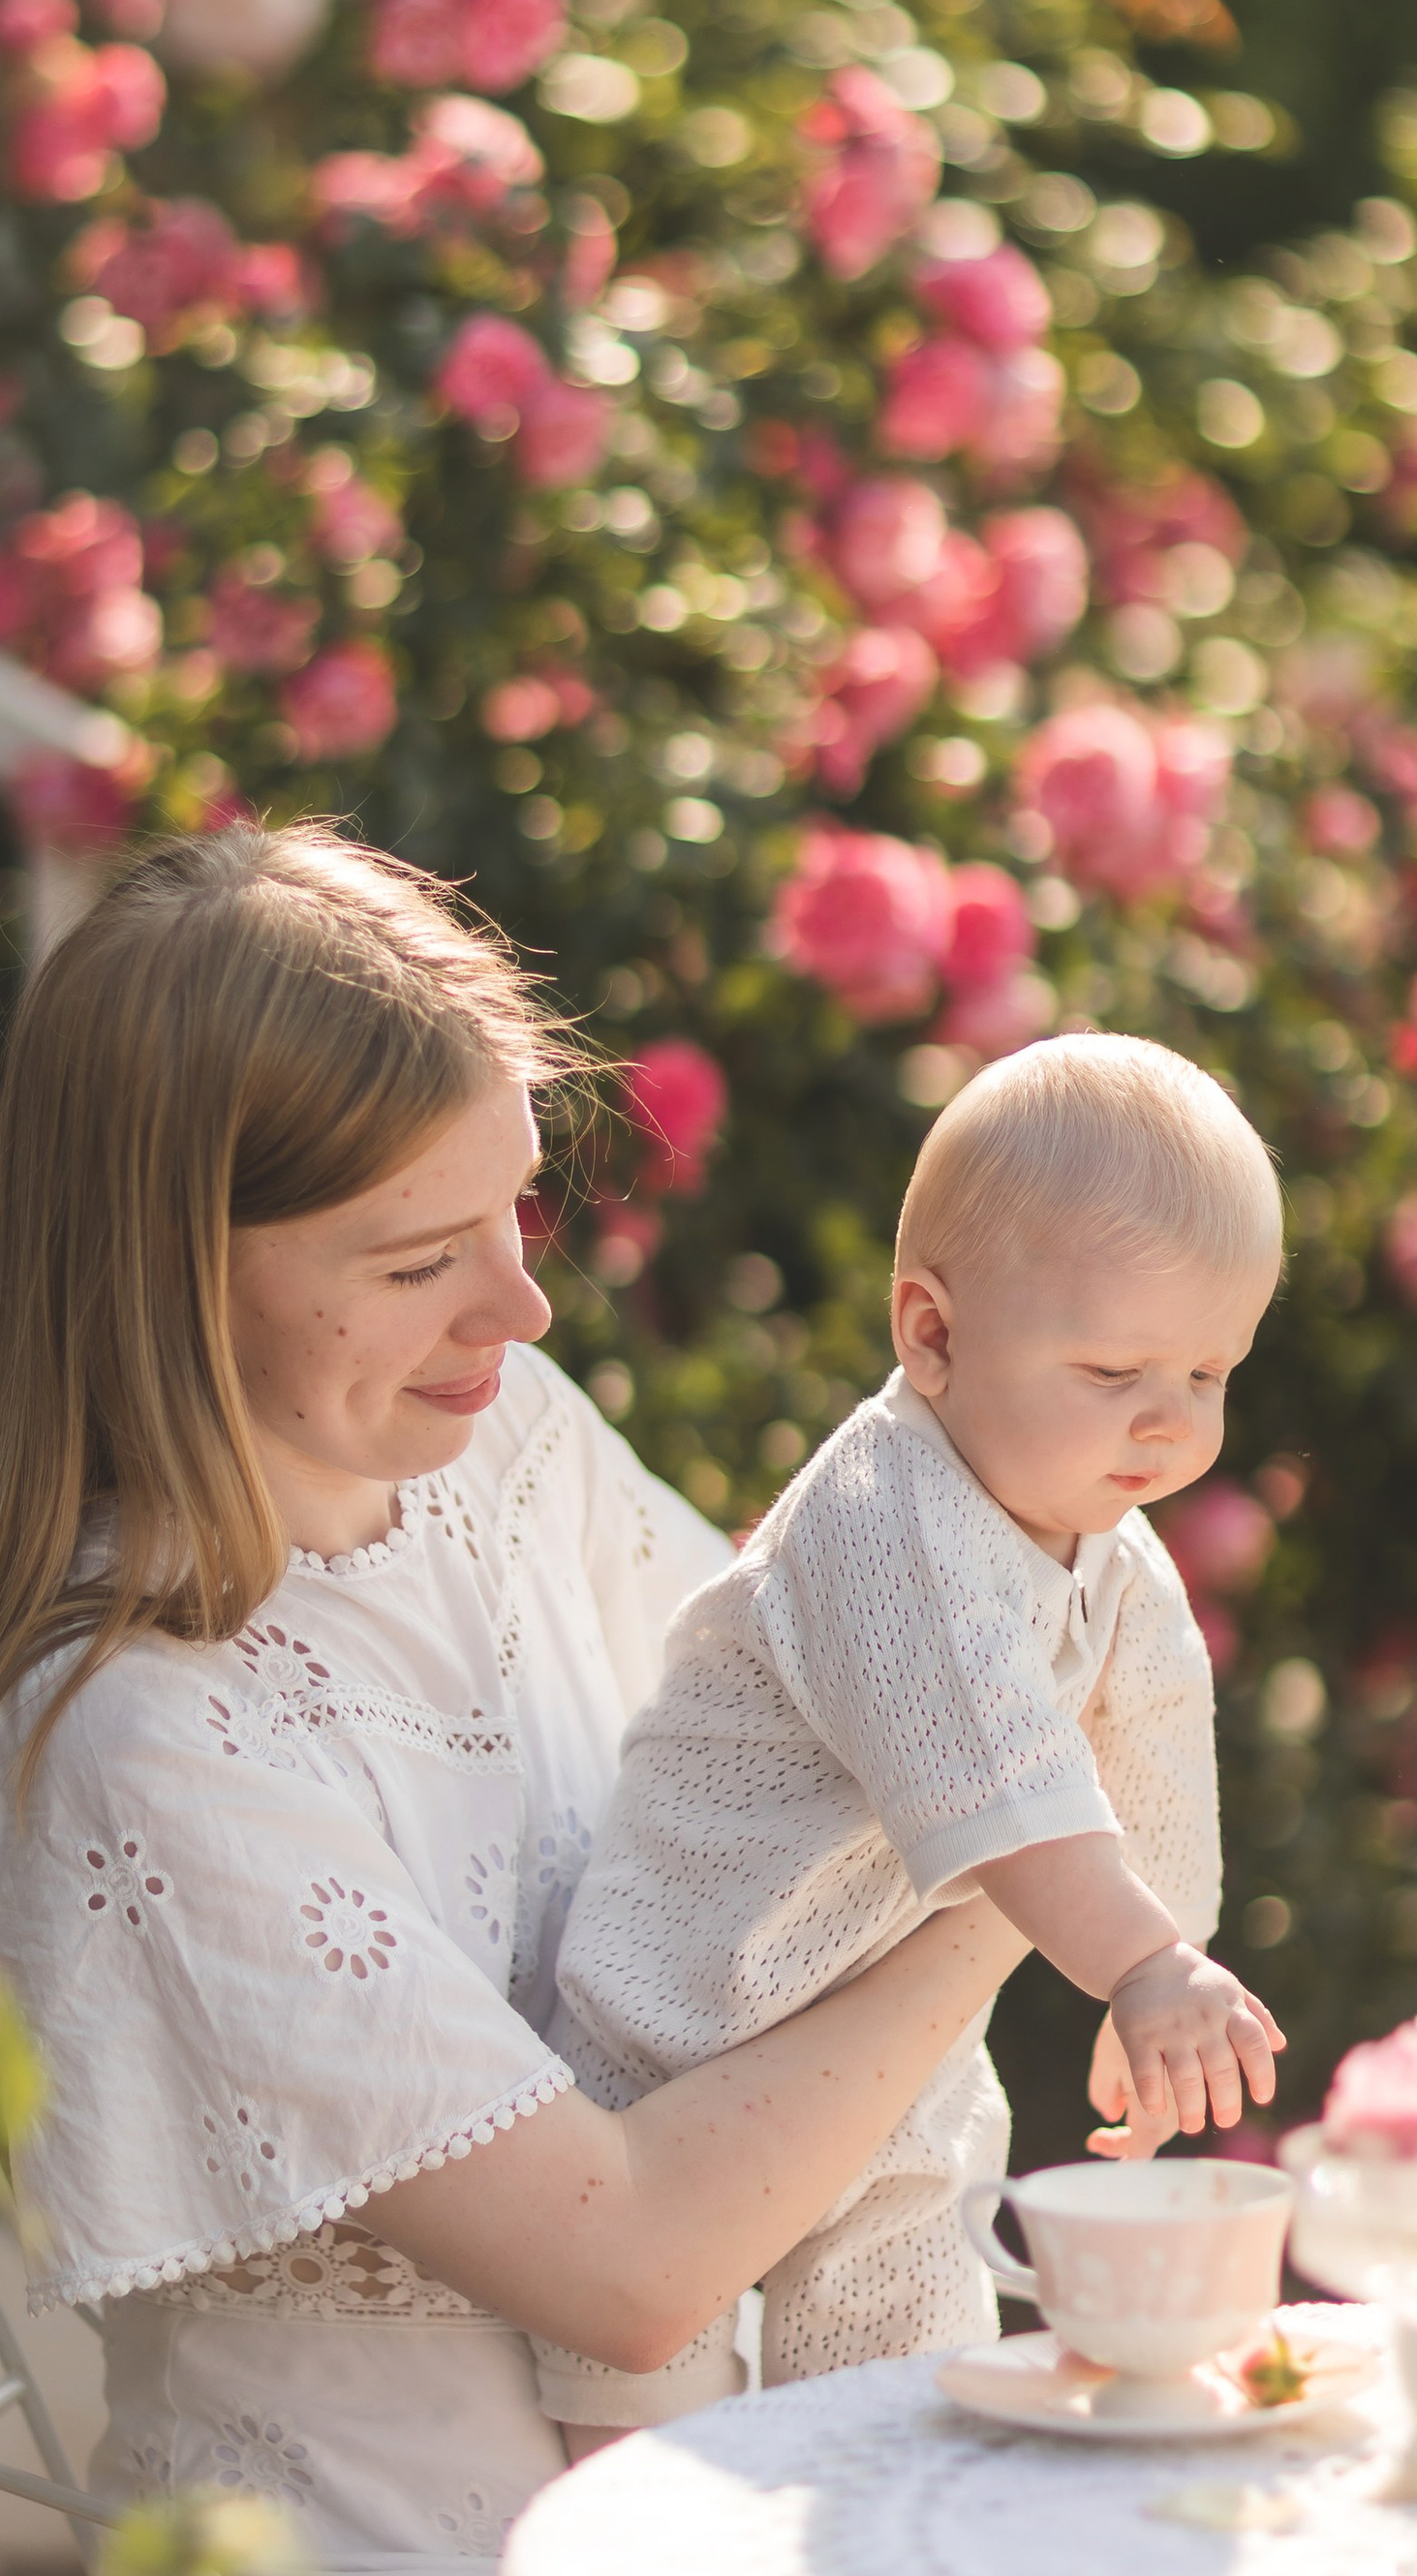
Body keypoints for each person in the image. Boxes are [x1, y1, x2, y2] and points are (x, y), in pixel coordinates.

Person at [0, 824, 1030, 2576]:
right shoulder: (128, 1736)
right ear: (174, 1275)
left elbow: (794, 1745)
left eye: (516, 1208)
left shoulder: (484, 1441)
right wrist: (996, 1904)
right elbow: (622, 2259)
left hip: (714, 2481)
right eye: (418, 1253)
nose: (516, 1307)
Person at [537, 1033, 1286, 2441]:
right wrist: (1135, 1958)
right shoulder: (887, 1515)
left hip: (881, 2057)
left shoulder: (1110, 1555)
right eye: (1116, 1365)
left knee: (902, 2381)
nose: (1171, 1421)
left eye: (1211, 1369)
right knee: (639, 2446)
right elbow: (1004, 1769)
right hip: (680, 2029)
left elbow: (1152, 1765)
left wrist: (1155, 1982)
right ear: (931, 1333)